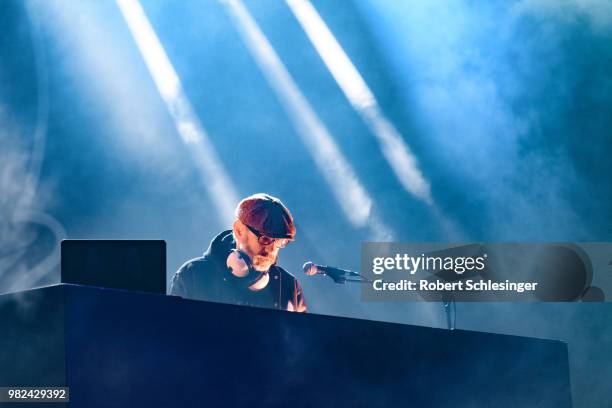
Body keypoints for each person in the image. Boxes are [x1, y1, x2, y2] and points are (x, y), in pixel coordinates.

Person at [170, 193, 307, 312]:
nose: (272, 249)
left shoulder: (289, 285)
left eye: (280, 242)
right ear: (239, 230)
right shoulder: (193, 275)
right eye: (265, 238)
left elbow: (305, 337)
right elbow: (171, 335)